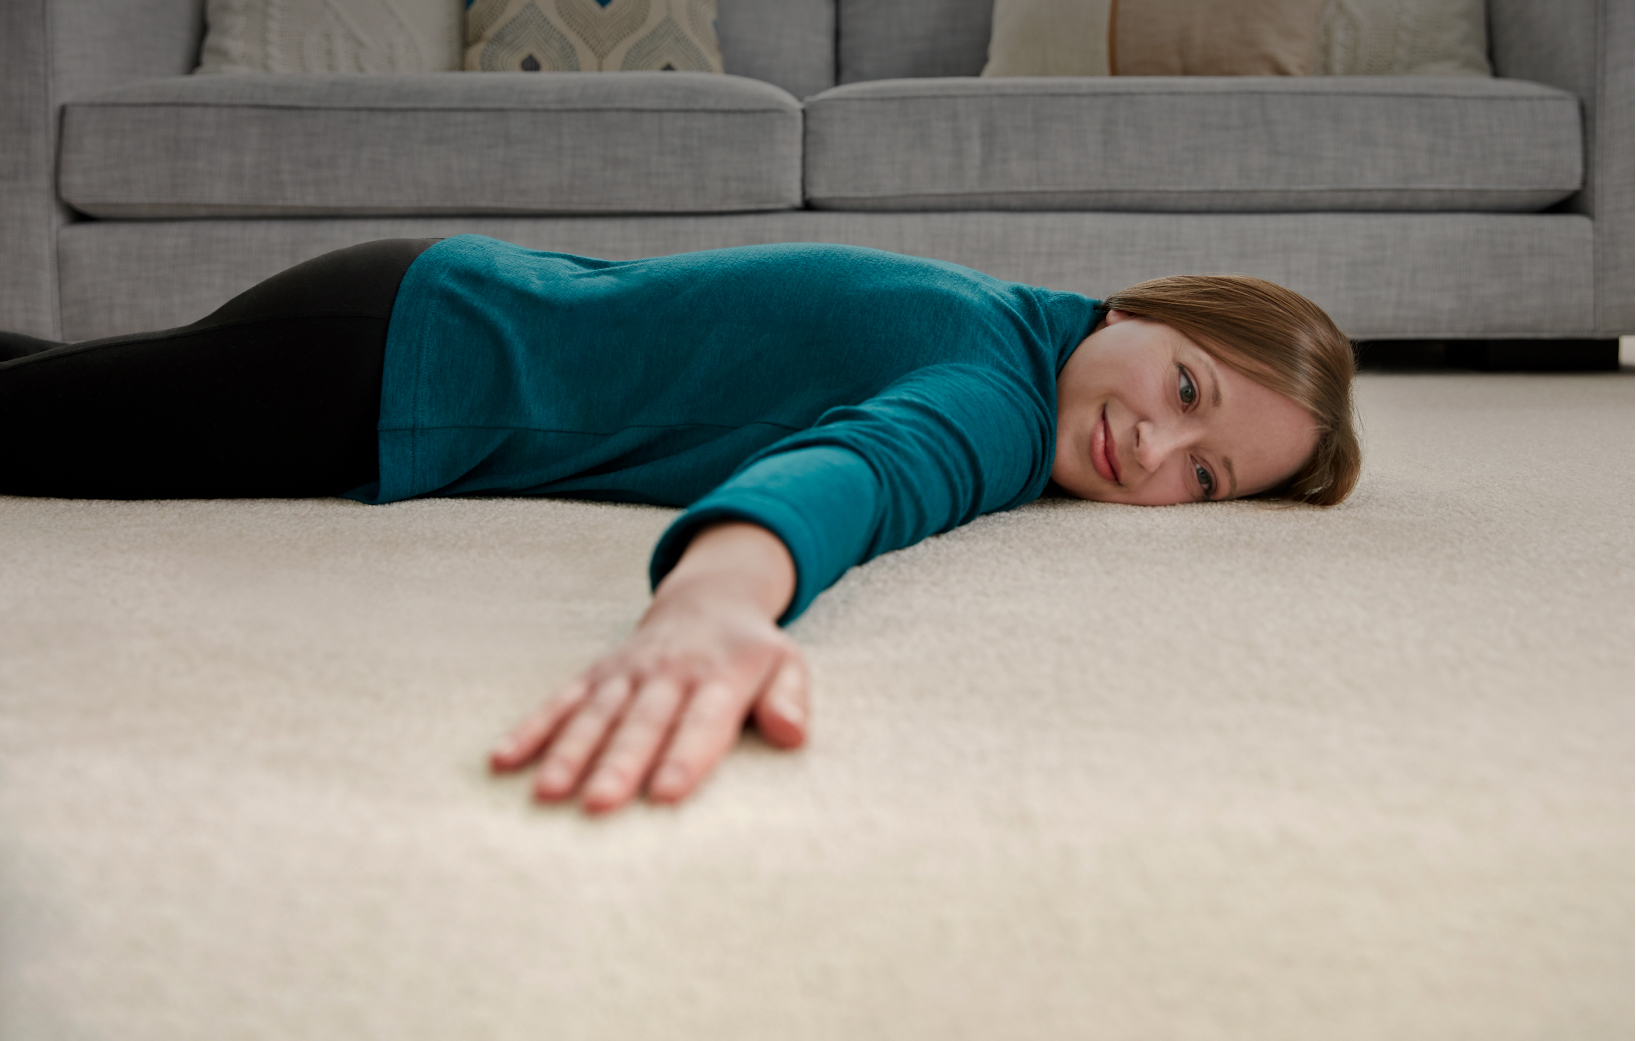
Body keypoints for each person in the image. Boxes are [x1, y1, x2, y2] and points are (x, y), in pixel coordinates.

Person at [0, 235, 1360, 813]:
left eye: (1207, 476)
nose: (1156, 448)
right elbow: (860, 472)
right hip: (378, 369)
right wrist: (715, 602)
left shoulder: (1021, 324)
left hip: (405, 310)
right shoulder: (995, 394)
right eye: (1186, 386)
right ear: (1139, 308)